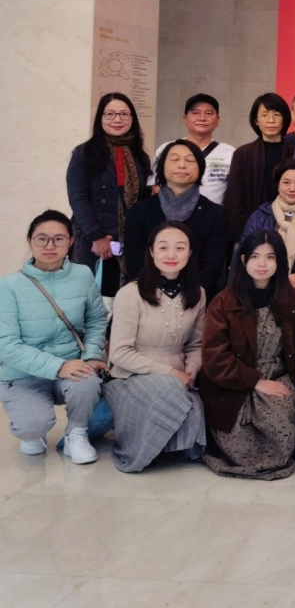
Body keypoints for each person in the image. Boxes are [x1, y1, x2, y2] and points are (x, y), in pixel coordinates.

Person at [201, 229, 295, 480]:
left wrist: (294, 384)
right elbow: (215, 359)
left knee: (281, 428)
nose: (262, 264)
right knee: (238, 438)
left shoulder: (292, 301)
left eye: (270, 257)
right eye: (255, 256)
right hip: (233, 382)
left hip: (278, 377)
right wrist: (255, 381)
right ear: (243, 260)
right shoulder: (223, 302)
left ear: (279, 262)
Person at [0, 210, 107, 464]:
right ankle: (33, 432)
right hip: (23, 374)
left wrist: (92, 355)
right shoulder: (8, 285)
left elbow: (97, 319)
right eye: (42, 239)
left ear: (71, 241)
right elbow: (7, 344)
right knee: (31, 429)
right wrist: (58, 366)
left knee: (88, 383)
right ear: (30, 241)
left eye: (59, 239)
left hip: (72, 365)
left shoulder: (83, 275)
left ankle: (76, 433)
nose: (50, 246)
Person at [103, 222, 206, 472]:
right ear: (151, 251)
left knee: (194, 403)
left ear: (190, 252)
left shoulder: (197, 293)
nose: (171, 254)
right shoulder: (130, 293)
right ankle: (144, 450)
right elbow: (119, 353)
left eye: (180, 248)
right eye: (163, 247)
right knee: (169, 389)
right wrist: (170, 373)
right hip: (130, 378)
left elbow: (196, 344)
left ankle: (171, 447)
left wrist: (191, 372)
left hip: (180, 379)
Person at [66, 92, 152, 296]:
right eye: (110, 114)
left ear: (132, 118)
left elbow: (142, 199)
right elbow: (78, 198)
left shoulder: (140, 156)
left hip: (129, 237)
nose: (117, 119)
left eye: (124, 114)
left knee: (123, 296)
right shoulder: (83, 153)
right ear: (100, 118)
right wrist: (96, 237)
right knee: (87, 296)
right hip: (91, 238)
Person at [125, 139, 230, 301]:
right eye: (174, 159)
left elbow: (211, 268)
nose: (182, 165)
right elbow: (136, 263)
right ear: (161, 167)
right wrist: (157, 296)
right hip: (147, 298)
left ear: (200, 168)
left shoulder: (216, 214)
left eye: (190, 160)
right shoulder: (140, 211)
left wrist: (185, 298)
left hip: (197, 300)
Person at [241, 158, 295, 292]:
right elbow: (246, 250)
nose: (292, 189)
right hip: (261, 286)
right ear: (278, 185)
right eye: (286, 182)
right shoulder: (261, 215)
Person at [223, 92, 295, 236]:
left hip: (289, 226)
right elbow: (234, 198)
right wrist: (243, 232)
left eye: (276, 115)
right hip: (252, 228)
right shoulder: (243, 153)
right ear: (256, 121)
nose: (271, 120)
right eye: (264, 115)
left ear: (284, 119)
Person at [151, 94, 234, 206]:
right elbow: (155, 188)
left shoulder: (229, 153)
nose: (202, 118)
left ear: (217, 120)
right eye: (196, 113)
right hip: (171, 215)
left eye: (209, 113)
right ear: (185, 119)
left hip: (213, 216)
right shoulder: (167, 149)